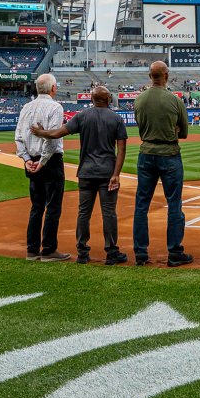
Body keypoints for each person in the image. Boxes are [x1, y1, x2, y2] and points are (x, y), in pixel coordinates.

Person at [30, 86, 128, 265]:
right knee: (109, 213)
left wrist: (41, 132)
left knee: (84, 213)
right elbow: (121, 149)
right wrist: (116, 174)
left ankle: (82, 252)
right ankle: (112, 253)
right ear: (108, 100)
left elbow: (58, 133)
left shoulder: (82, 116)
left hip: (86, 172)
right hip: (107, 172)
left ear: (92, 99)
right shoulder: (116, 118)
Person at [132, 61, 193, 267]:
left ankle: (141, 253)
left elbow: (140, 125)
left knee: (142, 205)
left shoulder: (139, 99)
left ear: (150, 76)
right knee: (174, 203)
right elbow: (183, 132)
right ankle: (174, 252)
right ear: (166, 75)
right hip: (169, 153)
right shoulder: (175, 101)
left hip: (146, 152)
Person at [14, 73, 70, 262]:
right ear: (53, 88)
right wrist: (43, 161)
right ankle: (48, 250)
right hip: (51, 161)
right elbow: (52, 138)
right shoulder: (55, 107)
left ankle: (32, 250)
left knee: (36, 206)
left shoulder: (26, 107)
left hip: (32, 160)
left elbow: (19, 137)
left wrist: (26, 159)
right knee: (53, 206)